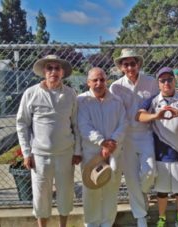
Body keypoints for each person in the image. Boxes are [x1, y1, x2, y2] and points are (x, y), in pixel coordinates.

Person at [16, 55, 82, 227]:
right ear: (44, 71)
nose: (53, 71)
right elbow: (22, 124)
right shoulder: (31, 93)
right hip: (39, 156)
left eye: (57, 68)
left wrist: (77, 151)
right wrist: (26, 153)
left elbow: (76, 124)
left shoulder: (70, 94)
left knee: (65, 195)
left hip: (65, 155)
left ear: (62, 72)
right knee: (40, 197)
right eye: (50, 68)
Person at [136, 67, 178, 227]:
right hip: (162, 153)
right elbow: (139, 116)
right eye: (162, 80)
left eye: (169, 79)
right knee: (162, 191)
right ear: (158, 83)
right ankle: (162, 218)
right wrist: (155, 116)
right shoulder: (153, 100)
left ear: (175, 81)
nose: (166, 83)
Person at [110, 48, 159, 227]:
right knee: (131, 177)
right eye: (126, 64)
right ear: (121, 67)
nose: (130, 67)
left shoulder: (151, 82)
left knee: (150, 171)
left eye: (132, 63)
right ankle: (140, 216)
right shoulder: (115, 86)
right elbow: (113, 113)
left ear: (138, 64)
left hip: (146, 133)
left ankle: (144, 193)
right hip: (126, 136)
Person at [77, 67, 127, 227]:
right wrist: (102, 142)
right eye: (95, 80)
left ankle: (107, 223)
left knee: (111, 190)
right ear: (88, 83)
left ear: (107, 81)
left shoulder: (117, 101)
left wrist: (113, 141)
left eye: (102, 80)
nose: (99, 83)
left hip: (113, 153)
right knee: (91, 191)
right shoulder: (81, 101)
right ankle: (91, 223)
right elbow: (83, 126)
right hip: (92, 155)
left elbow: (123, 123)